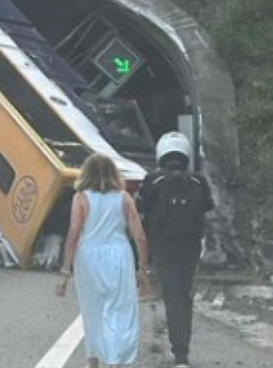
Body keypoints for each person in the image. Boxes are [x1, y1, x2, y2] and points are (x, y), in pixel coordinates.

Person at [57, 154, 152, 368]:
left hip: (89, 255)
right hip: (119, 255)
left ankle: (94, 364)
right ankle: (116, 361)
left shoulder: (81, 198)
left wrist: (65, 271)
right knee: (120, 310)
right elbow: (140, 236)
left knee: (92, 311)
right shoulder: (124, 197)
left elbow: (73, 234)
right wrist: (143, 270)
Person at [136, 132, 215, 368]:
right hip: (190, 247)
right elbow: (208, 206)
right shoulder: (198, 181)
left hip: (163, 247)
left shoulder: (153, 180)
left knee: (171, 298)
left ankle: (177, 350)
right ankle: (184, 352)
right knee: (185, 296)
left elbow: (141, 207)